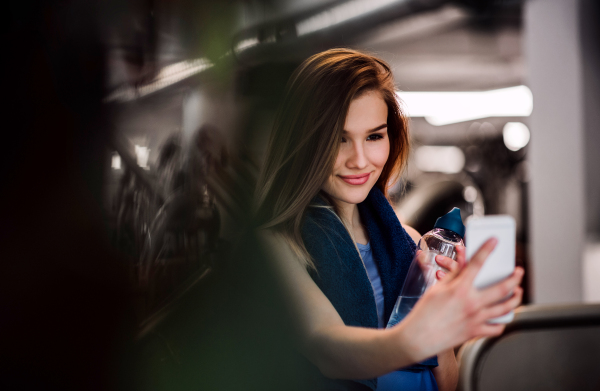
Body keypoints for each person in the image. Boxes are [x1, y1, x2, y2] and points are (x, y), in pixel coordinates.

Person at [254, 48, 524, 391]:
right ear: (304, 143)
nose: (360, 159)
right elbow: (328, 349)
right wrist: (417, 335)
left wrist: (442, 311)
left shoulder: (409, 242)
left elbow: (446, 380)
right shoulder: (275, 246)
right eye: (338, 139)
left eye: (374, 136)